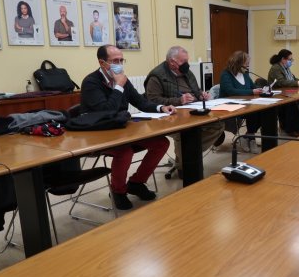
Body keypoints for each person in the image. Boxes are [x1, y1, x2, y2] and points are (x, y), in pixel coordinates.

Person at [80, 44, 176, 210]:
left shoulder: (122, 79)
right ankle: (118, 191)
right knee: (124, 152)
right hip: (100, 134)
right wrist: (118, 86)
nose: (119, 64)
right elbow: (106, 111)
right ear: (102, 63)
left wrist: (160, 108)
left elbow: (140, 102)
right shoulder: (91, 82)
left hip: (122, 129)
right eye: (115, 61)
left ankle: (136, 183)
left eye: (121, 60)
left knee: (161, 143)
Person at [145, 46, 225, 178]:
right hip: (171, 116)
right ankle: (185, 163)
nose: (186, 64)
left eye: (187, 60)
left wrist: (201, 95)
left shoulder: (187, 72)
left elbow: (196, 89)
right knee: (186, 133)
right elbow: (152, 100)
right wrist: (178, 100)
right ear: (172, 62)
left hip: (193, 111)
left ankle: (186, 156)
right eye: (183, 61)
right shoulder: (157, 76)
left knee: (218, 125)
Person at [219, 51, 263, 153]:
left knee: (262, 111)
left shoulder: (245, 74)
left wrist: (261, 90)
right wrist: (251, 91)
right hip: (229, 105)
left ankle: (248, 137)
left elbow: (253, 87)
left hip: (246, 104)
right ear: (238, 63)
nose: (248, 66)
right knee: (253, 112)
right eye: (246, 63)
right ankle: (250, 138)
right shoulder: (226, 74)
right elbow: (231, 91)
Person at [267, 49, 299, 137]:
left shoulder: (285, 68)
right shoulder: (276, 68)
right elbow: (282, 82)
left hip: (287, 93)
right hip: (277, 94)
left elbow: (292, 79)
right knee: (292, 106)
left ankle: (297, 127)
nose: (291, 61)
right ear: (283, 59)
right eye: (290, 59)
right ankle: (289, 129)